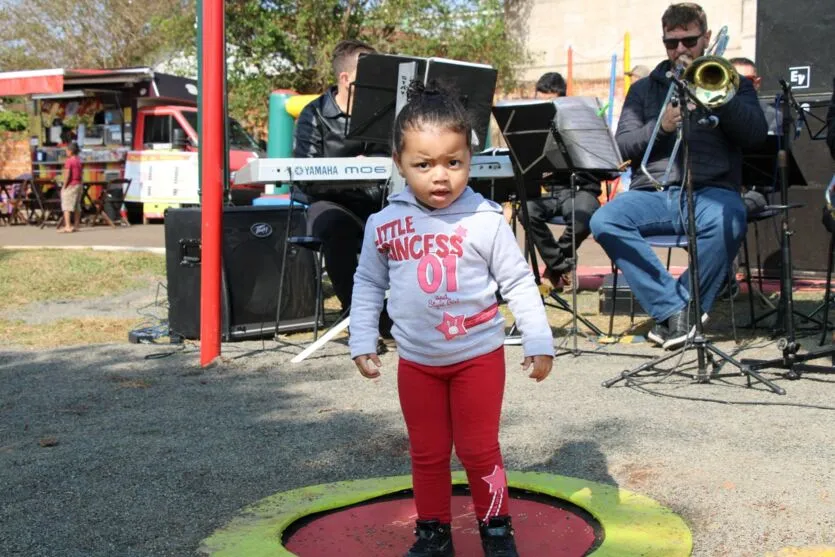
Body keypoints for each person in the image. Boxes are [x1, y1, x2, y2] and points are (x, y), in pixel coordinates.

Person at [349, 82, 554, 557]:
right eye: (423, 164)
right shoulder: (383, 224)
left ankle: (496, 527)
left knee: (480, 449)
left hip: (477, 358)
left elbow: (520, 283)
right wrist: (362, 338)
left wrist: (538, 339)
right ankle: (434, 532)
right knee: (427, 452)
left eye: (453, 162)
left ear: (470, 158)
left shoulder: (486, 219)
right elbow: (366, 284)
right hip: (417, 362)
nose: (439, 176)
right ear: (399, 162)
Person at [589, 2, 768, 349]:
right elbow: (622, 145)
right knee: (605, 220)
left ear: (706, 38)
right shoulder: (644, 90)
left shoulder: (734, 83)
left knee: (730, 218)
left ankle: (675, 316)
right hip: (654, 191)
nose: (680, 50)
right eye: (672, 43)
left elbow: (755, 135)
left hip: (711, 191)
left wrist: (720, 98)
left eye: (689, 41)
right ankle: (676, 309)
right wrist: (663, 126)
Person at [293, 39, 393, 335]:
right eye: (371, 77)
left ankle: (402, 313)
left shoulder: (384, 114)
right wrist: (354, 174)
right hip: (331, 202)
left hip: (377, 200)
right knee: (334, 224)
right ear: (345, 78)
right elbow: (307, 179)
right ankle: (358, 319)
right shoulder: (315, 114)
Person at [524, 71, 602, 291]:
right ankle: (559, 265)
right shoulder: (531, 125)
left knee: (584, 215)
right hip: (551, 192)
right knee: (526, 211)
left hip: (580, 188)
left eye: (550, 103)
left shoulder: (582, 122)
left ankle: (553, 270)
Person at [58, 142, 83, 233]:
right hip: (78, 184)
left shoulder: (69, 161)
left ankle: (67, 226)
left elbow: (67, 175)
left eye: (67, 150)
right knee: (77, 206)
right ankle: (76, 225)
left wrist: (64, 186)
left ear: (71, 151)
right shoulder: (78, 160)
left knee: (66, 206)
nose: (66, 152)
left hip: (71, 184)